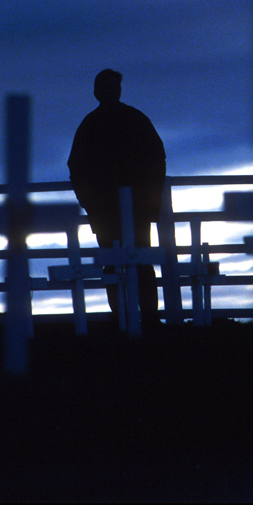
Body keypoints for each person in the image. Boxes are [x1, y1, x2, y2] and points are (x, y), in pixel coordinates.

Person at [67, 69, 166, 324]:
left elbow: (157, 159)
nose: (112, 91)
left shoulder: (132, 120)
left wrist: (151, 201)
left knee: (140, 262)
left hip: (136, 208)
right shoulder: (96, 125)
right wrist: (90, 205)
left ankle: (148, 319)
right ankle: (125, 318)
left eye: (115, 86)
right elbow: (77, 168)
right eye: (107, 87)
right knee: (114, 265)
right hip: (107, 210)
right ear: (97, 92)